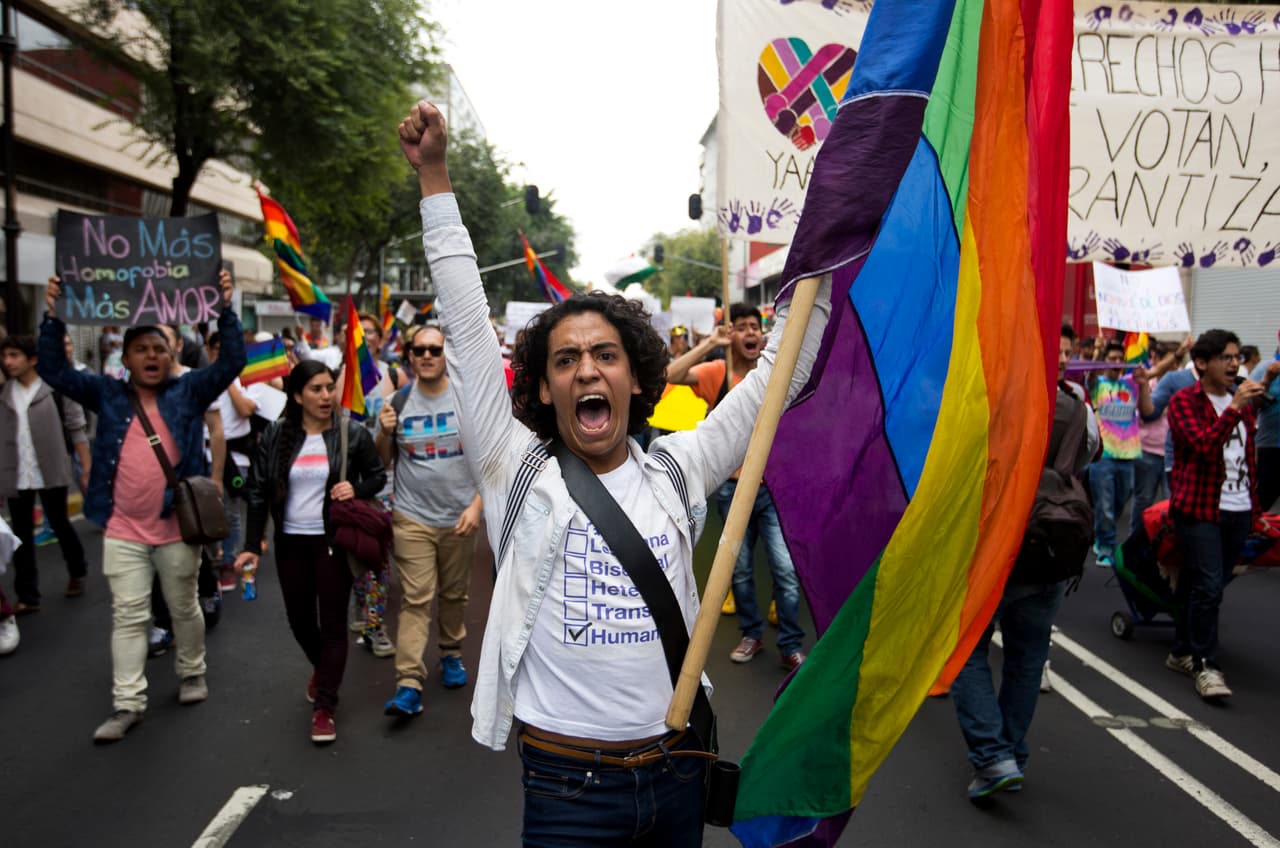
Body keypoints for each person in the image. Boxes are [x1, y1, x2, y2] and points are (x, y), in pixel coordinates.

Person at [398, 99, 830, 845]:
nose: (587, 370)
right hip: (567, 789)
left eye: (606, 356)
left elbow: (779, 376)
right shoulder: (513, 468)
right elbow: (464, 323)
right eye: (566, 360)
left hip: (677, 771)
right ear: (542, 387)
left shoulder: (678, 469)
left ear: (636, 379)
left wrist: (834, 235)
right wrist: (434, 175)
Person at [38, 271, 245, 743]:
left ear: (171, 356)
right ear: (126, 358)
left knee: (183, 606)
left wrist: (226, 308)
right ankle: (127, 703)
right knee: (129, 615)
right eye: (141, 350)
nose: (151, 356)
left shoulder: (189, 391)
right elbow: (54, 370)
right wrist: (52, 315)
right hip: (123, 528)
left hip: (176, 527)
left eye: (159, 349)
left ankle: (192, 671)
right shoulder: (107, 393)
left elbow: (232, 360)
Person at [950, 326, 1099, 799]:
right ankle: (1010, 750)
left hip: (996, 546)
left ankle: (993, 755)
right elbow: (1089, 458)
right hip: (1053, 549)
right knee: (1028, 657)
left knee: (965, 648)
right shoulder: (1079, 408)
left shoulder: (991, 399)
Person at [236, 360, 386, 743]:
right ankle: (324, 669)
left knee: (333, 625)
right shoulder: (275, 435)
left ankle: (325, 706)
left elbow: (377, 475)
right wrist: (252, 545)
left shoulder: (351, 433)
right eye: (316, 389)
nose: (326, 396)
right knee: (300, 620)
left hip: (332, 542)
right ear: (298, 396)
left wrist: (356, 489)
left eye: (329, 388)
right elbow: (257, 490)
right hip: (290, 542)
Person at [667, 304, 806, 670]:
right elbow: (671, 374)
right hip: (733, 490)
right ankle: (752, 635)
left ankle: (791, 644)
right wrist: (710, 343)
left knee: (785, 570)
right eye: (741, 327)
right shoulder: (719, 371)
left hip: (772, 489)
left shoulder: (774, 373)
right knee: (740, 571)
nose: (750, 332)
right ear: (732, 335)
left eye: (754, 326)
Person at [1165, 330, 1280, 700]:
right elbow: (1202, 446)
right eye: (1225, 358)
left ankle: (1180, 649)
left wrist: (1256, 511)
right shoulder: (1185, 402)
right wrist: (1232, 409)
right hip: (1199, 508)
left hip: (1238, 508)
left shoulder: (1240, 398)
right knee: (1209, 585)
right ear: (1201, 363)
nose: (1234, 364)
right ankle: (1205, 665)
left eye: (1237, 357)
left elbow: (1246, 459)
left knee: (1203, 585)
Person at [377, 324, 483, 716]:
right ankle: (408, 682)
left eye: (434, 350)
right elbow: (383, 461)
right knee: (416, 598)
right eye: (419, 349)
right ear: (409, 355)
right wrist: (383, 432)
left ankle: (451, 652)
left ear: (446, 355)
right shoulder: (397, 402)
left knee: (454, 594)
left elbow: (489, 462)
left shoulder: (467, 401)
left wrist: (476, 507)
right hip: (412, 517)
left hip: (459, 518)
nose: (426, 356)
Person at [1, 335, 91, 610]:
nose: (8, 362)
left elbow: (76, 428)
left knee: (60, 522)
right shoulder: (4, 394)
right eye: (5, 356)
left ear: (32, 359)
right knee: (21, 534)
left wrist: (87, 468)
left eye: (14, 355)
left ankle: (77, 571)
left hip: (50, 469)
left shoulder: (56, 388)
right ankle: (27, 595)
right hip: (17, 473)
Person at [1086, 340, 1149, 567]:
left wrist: (1179, 353)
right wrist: (1097, 352)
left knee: (1119, 502)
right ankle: (1106, 547)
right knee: (1105, 506)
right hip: (1103, 456)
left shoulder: (1130, 383)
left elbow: (1154, 373)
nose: (1116, 362)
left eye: (1119, 359)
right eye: (1111, 358)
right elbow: (1092, 373)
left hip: (1128, 455)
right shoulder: (1097, 384)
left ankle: (1099, 533)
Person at [1248, 348, 1280, 512]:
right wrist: (1267, 379)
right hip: (1271, 445)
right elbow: (1251, 405)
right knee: (1265, 498)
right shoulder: (1265, 367)